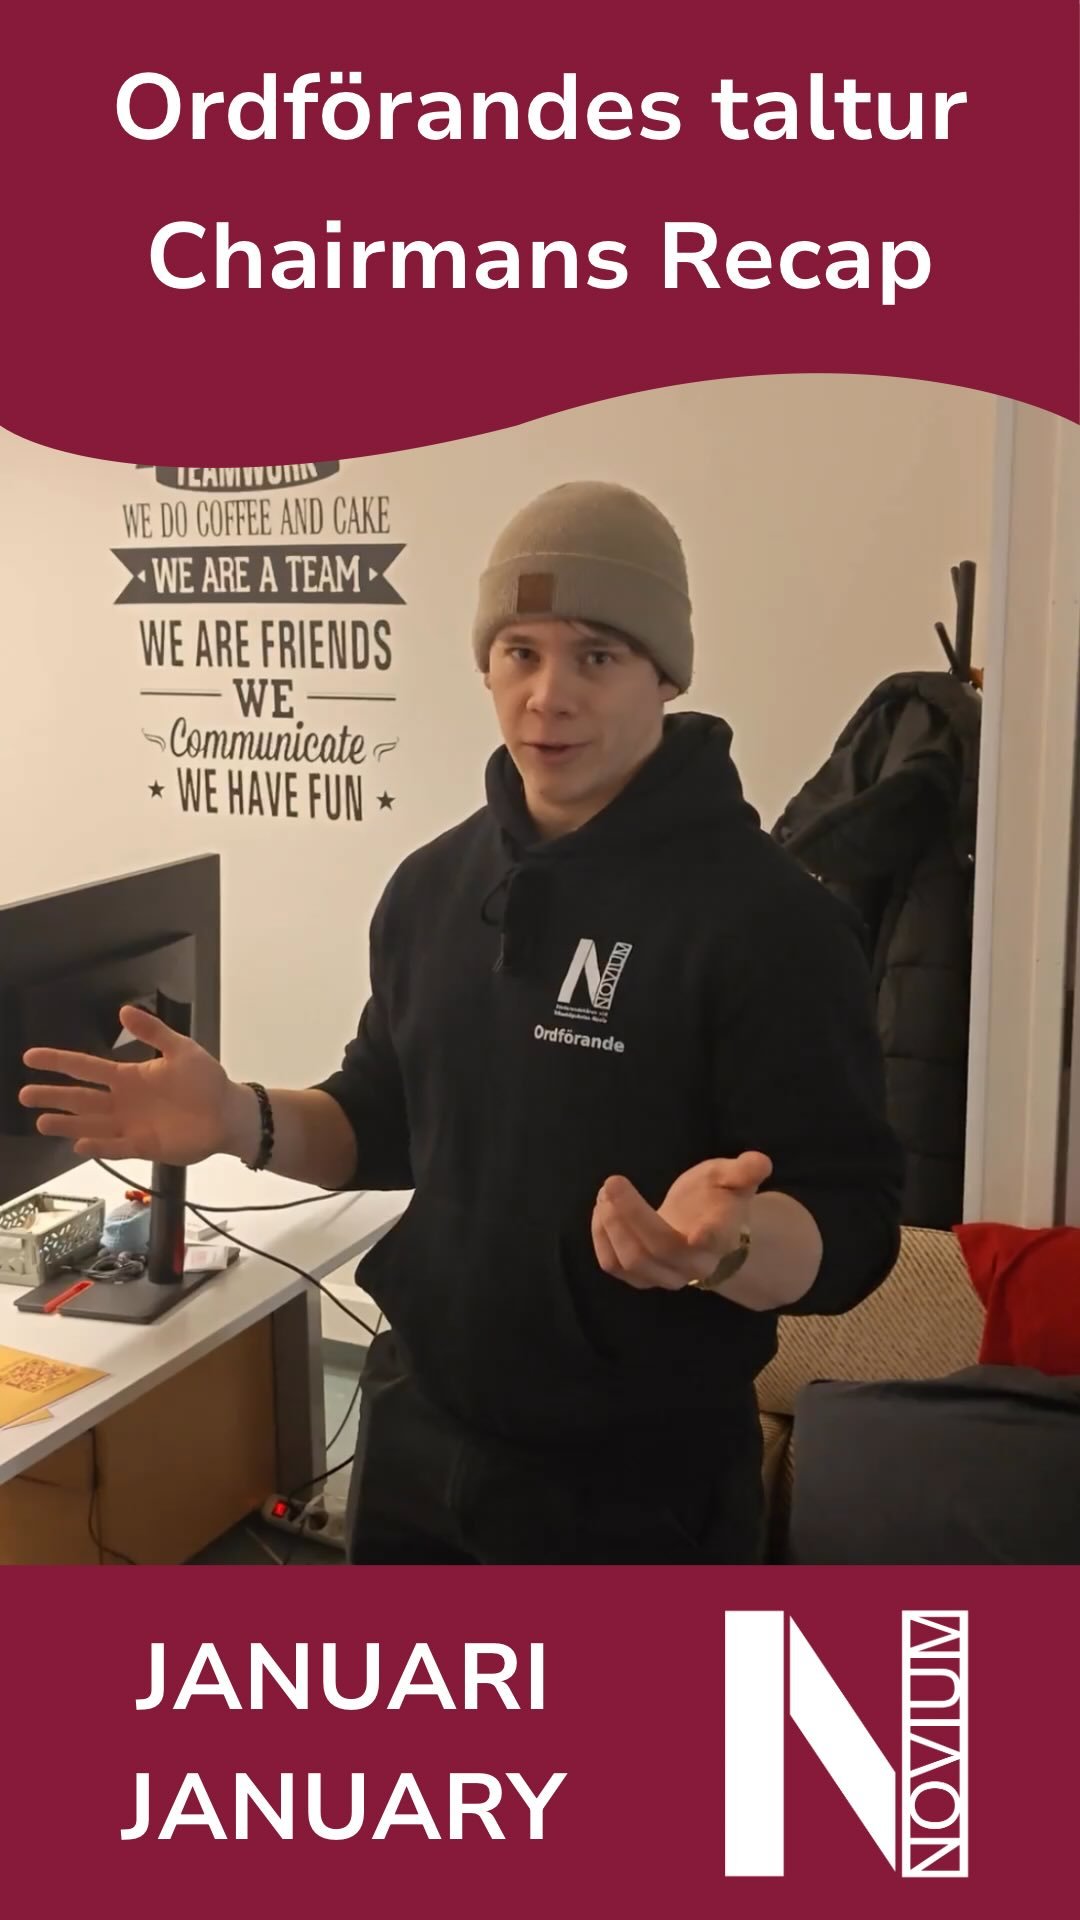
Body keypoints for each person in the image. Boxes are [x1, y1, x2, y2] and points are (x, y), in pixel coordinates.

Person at [21, 480, 903, 1565]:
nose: (548, 697)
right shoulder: (434, 886)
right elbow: (382, 1119)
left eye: (596, 655)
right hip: (416, 1439)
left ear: (667, 674)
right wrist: (239, 1119)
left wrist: (732, 1247)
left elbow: (857, 1223)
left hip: (637, 1487)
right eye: (519, 653)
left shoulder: (770, 920)